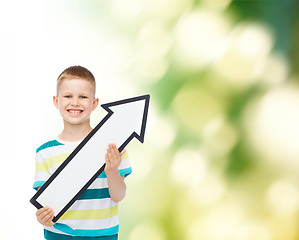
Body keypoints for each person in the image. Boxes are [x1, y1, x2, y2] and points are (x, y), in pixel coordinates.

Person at [33, 66, 131, 240]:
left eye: (83, 97)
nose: (75, 102)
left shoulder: (113, 147)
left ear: (94, 103)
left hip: (103, 235)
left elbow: (119, 196)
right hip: (60, 235)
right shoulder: (45, 153)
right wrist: (44, 218)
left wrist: (112, 171)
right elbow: (46, 206)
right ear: (56, 101)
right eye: (68, 96)